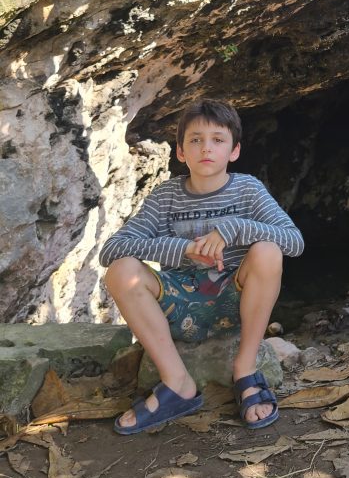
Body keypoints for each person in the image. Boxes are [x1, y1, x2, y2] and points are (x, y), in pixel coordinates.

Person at [100, 98, 304, 435]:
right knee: (121, 269)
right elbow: (111, 249)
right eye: (195, 140)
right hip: (178, 307)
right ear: (180, 152)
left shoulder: (248, 189)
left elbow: (293, 241)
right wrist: (182, 249)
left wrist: (233, 228)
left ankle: (245, 370)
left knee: (268, 250)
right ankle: (178, 382)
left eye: (217, 140)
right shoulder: (165, 196)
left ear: (234, 151)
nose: (206, 148)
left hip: (236, 304)